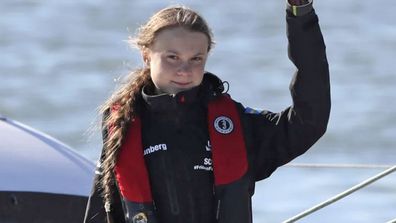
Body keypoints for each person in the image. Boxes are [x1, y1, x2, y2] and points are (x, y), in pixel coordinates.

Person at [84, 0, 330, 222]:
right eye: (172, 57)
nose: (184, 69)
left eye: (196, 59)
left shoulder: (235, 124)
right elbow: (99, 210)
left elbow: (309, 121)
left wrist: (301, 13)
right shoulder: (122, 124)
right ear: (146, 56)